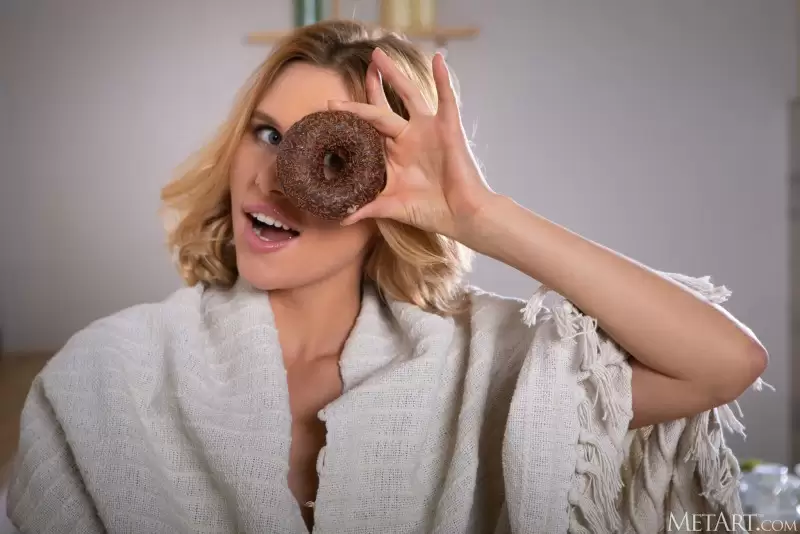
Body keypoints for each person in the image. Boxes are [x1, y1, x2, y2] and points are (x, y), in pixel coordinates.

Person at [7, 19, 768, 534]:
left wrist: (481, 215)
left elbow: (724, 364)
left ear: (393, 191)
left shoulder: (483, 368)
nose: (273, 180)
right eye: (266, 133)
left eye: (328, 156)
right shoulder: (108, 374)